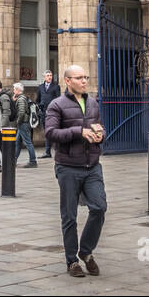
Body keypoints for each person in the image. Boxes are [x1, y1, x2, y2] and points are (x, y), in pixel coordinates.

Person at [43, 65, 107, 278]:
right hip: (68, 167)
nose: (84, 81)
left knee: (99, 208)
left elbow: (98, 127)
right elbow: (51, 132)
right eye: (79, 78)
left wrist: (100, 134)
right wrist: (79, 132)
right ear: (68, 81)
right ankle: (72, 261)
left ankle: (86, 251)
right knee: (69, 216)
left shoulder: (92, 103)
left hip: (92, 165)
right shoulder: (56, 105)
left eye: (85, 77)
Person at [12, 82, 37, 168]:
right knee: (17, 142)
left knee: (28, 143)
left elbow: (22, 112)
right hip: (23, 123)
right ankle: (13, 160)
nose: (13, 90)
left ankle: (33, 161)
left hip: (23, 123)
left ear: (18, 90)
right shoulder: (21, 98)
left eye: (14, 89)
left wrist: (18, 122)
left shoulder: (21, 99)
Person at [37, 70, 60, 158]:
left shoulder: (56, 87)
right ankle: (47, 152)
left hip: (52, 112)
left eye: (50, 75)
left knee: (53, 131)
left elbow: (58, 99)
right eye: (48, 75)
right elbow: (38, 99)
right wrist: (40, 106)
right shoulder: (40, 87)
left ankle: (57, 150)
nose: (50, 77)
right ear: (44, 77)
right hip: (43, 112)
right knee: (46, 131)